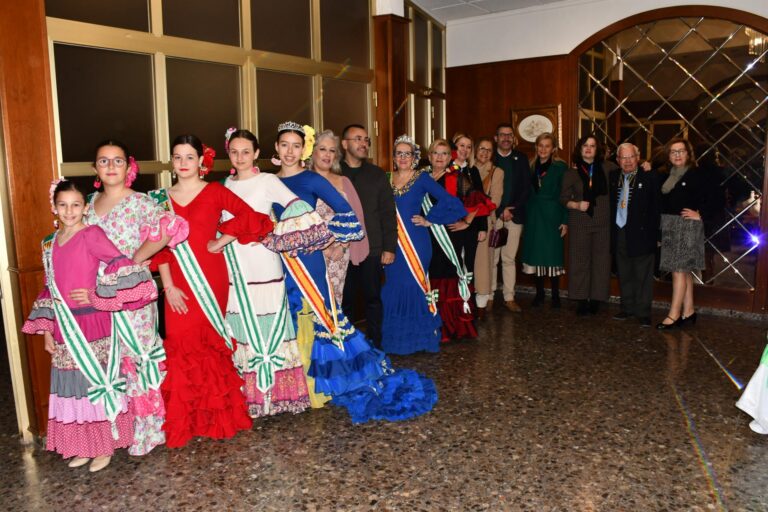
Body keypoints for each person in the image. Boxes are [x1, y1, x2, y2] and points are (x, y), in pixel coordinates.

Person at [272, 121, 437, 423]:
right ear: (276, 149)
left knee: (325, 315)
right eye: (284, 145)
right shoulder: (269, 181)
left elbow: (352, 218)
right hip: (282, 262)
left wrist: (327, 242)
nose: (290, 151)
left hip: (317, 262)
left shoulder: (318, 180)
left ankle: (323, 379)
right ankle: (292, 382)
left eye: (297, 145)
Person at [22, 179, 158, 472]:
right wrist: (47, 331)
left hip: (93, 322)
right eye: (63, 205)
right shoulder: (50, 243)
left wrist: (97, 295)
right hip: (64, 325)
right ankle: (84, 445)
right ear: (54, 208)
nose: (69, 211)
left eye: (75, 205)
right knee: (75, 387)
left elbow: (119, 264)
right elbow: (49, 287)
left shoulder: (92, 234)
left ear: (85, 207)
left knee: (96, 383)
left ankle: (104, 446)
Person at [151, 134, 274, 448]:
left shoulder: (216, 191)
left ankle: (216, 417)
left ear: (200, 161)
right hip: (176, 282)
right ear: (172, 162)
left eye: (189, 157)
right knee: (180, 345)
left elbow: (254, 218)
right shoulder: (159, 199)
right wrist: (169, 287)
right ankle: (186, 421)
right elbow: (159, 247)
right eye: (177, 157)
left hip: (211, 278)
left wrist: (221, 239)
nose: (183, 163)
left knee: (209, 346)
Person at [86, 139, 188, 456]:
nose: (111, 166)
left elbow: (170, 227)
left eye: (117, 160)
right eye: (104, 161)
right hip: (99, 295)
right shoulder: (89, 203)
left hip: (133, 295)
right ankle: (120, 430)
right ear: (95, 168)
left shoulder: (141, 201)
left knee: (138, 357)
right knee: (111, 359)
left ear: (128, 167)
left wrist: (133, 259)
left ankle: (149, 430)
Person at [223, 127, 324, 418]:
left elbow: (297, 206)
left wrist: (280, 236)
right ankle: (250, 397)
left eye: (246, 151)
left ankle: (277, 396)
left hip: (264, 265)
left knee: (271, 332)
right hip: (234, 268)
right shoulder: (224, 185)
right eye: (234, 151)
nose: (240, 157)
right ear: (228, 154)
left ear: (256, 153)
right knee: (241, 329)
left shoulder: (267, 180)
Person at [381, 135, 466, 354]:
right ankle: (396, 339)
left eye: (407, 153)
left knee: (413, 286)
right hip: (393, 242)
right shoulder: (386, 178)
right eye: (398, 153)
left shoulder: (422, 178)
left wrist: (430, 219)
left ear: (415, 157)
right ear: (393, 157)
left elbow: (450, 201)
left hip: (416, 243)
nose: (402, 157)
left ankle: (417, 340)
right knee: (394, 286)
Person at [340, 124, 397, 347]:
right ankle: (348, 348)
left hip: (372, 248)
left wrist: (389, 247)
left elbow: (387, 212)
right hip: (341, 250)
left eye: (366, 139)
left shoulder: (376, 174)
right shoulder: (332, 173)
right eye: (357, 139)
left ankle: (375, 345)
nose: (363, 143)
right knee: (345, 302)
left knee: (373, 299)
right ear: (344, 144)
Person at [428, 136, 488, 341]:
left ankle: (451, 327)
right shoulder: (423, 177)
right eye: (436, 152)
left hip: (450, 237)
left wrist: (467, 222)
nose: (440, 157)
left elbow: (479, 201)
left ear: (450, 156)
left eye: (444, 153)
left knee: (450, 277)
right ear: (429, 155)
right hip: (428, 237)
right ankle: (433, 323)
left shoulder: (456, 178)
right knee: (433, 276)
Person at [657, 138, 711, 329]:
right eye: (673, 152)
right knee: (683, 271)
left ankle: (674, 315)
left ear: (688, 154)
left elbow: (714, 198)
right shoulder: (667, 176)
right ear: (668, 155)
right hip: (671, 225)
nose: (677, 155)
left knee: (679, 271)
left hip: (687, 227)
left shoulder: (697, 174)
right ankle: (689, 311)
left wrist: (700, 214)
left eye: (681, 151)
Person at [311, 129, 369, 305]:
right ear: (311, 152)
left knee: (334, 302)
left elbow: (356, 218)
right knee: (311, 301)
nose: (327, 155)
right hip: (311, 251)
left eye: (332, 150)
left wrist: (342, 247)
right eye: (322, 149)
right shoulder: (303, 180)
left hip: (339, 253)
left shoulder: (343, 181)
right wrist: (323, 248)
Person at [560, 135, 613, 316]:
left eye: (592, 146)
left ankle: (596, 299)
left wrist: (645, 166)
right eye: (585, 146)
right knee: (579, 261)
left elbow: (629, 171)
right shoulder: (571, 173)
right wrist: (576, 205)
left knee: (601, 262)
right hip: (580, 221)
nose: (589, 149)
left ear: (597, 149)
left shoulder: (609, 169)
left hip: (603, 223)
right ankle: (581, 299)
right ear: (580, 149)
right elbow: (563, 199)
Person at [609, 143, 661, 327]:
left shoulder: (649, 177)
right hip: (619, 232)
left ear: (638, 158)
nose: (628, 161)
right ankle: (627, 308)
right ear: (618, 160)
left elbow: (656, 208)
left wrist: (657, 236)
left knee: (643, 276)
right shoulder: (613, 177)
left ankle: (643, 312)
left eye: (631, 156)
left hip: (642, 234)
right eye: (624, 157)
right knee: (624, 273)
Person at [521, 132, 568, 308]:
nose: (543, 149)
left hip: (553, 215)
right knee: (536, 255)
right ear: (536, 147)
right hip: (534, 216)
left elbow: (565, 195)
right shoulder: (530, 166)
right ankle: (539, 294)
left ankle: (555, 295)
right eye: (540, 146)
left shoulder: (560, 167)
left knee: (552, 255)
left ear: (553, 148)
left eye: (547, 146)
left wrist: (565, 220)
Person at [493, 123, 531, 313]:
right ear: (496, 138)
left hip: (514, 216)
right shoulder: (489, 158)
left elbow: (526, 188)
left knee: (509, 258)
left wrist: (511, 210)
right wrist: (500, 210)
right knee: (492, 258)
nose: (506, 138)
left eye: (509, 135)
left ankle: (509, 297)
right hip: (494, 216)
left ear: (513, 139)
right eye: (502, 135)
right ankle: (489, 295)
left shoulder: (521, 158)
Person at [473, 137, 505, 318]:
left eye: (489, 150)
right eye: (481, 149)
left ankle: (481, 306)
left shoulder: (496, 172)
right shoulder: (466, 169)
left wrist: (472, 209)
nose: (484, 153)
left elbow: (495, 201)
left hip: (484, 222)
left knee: (483, 267)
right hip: (463, 223)